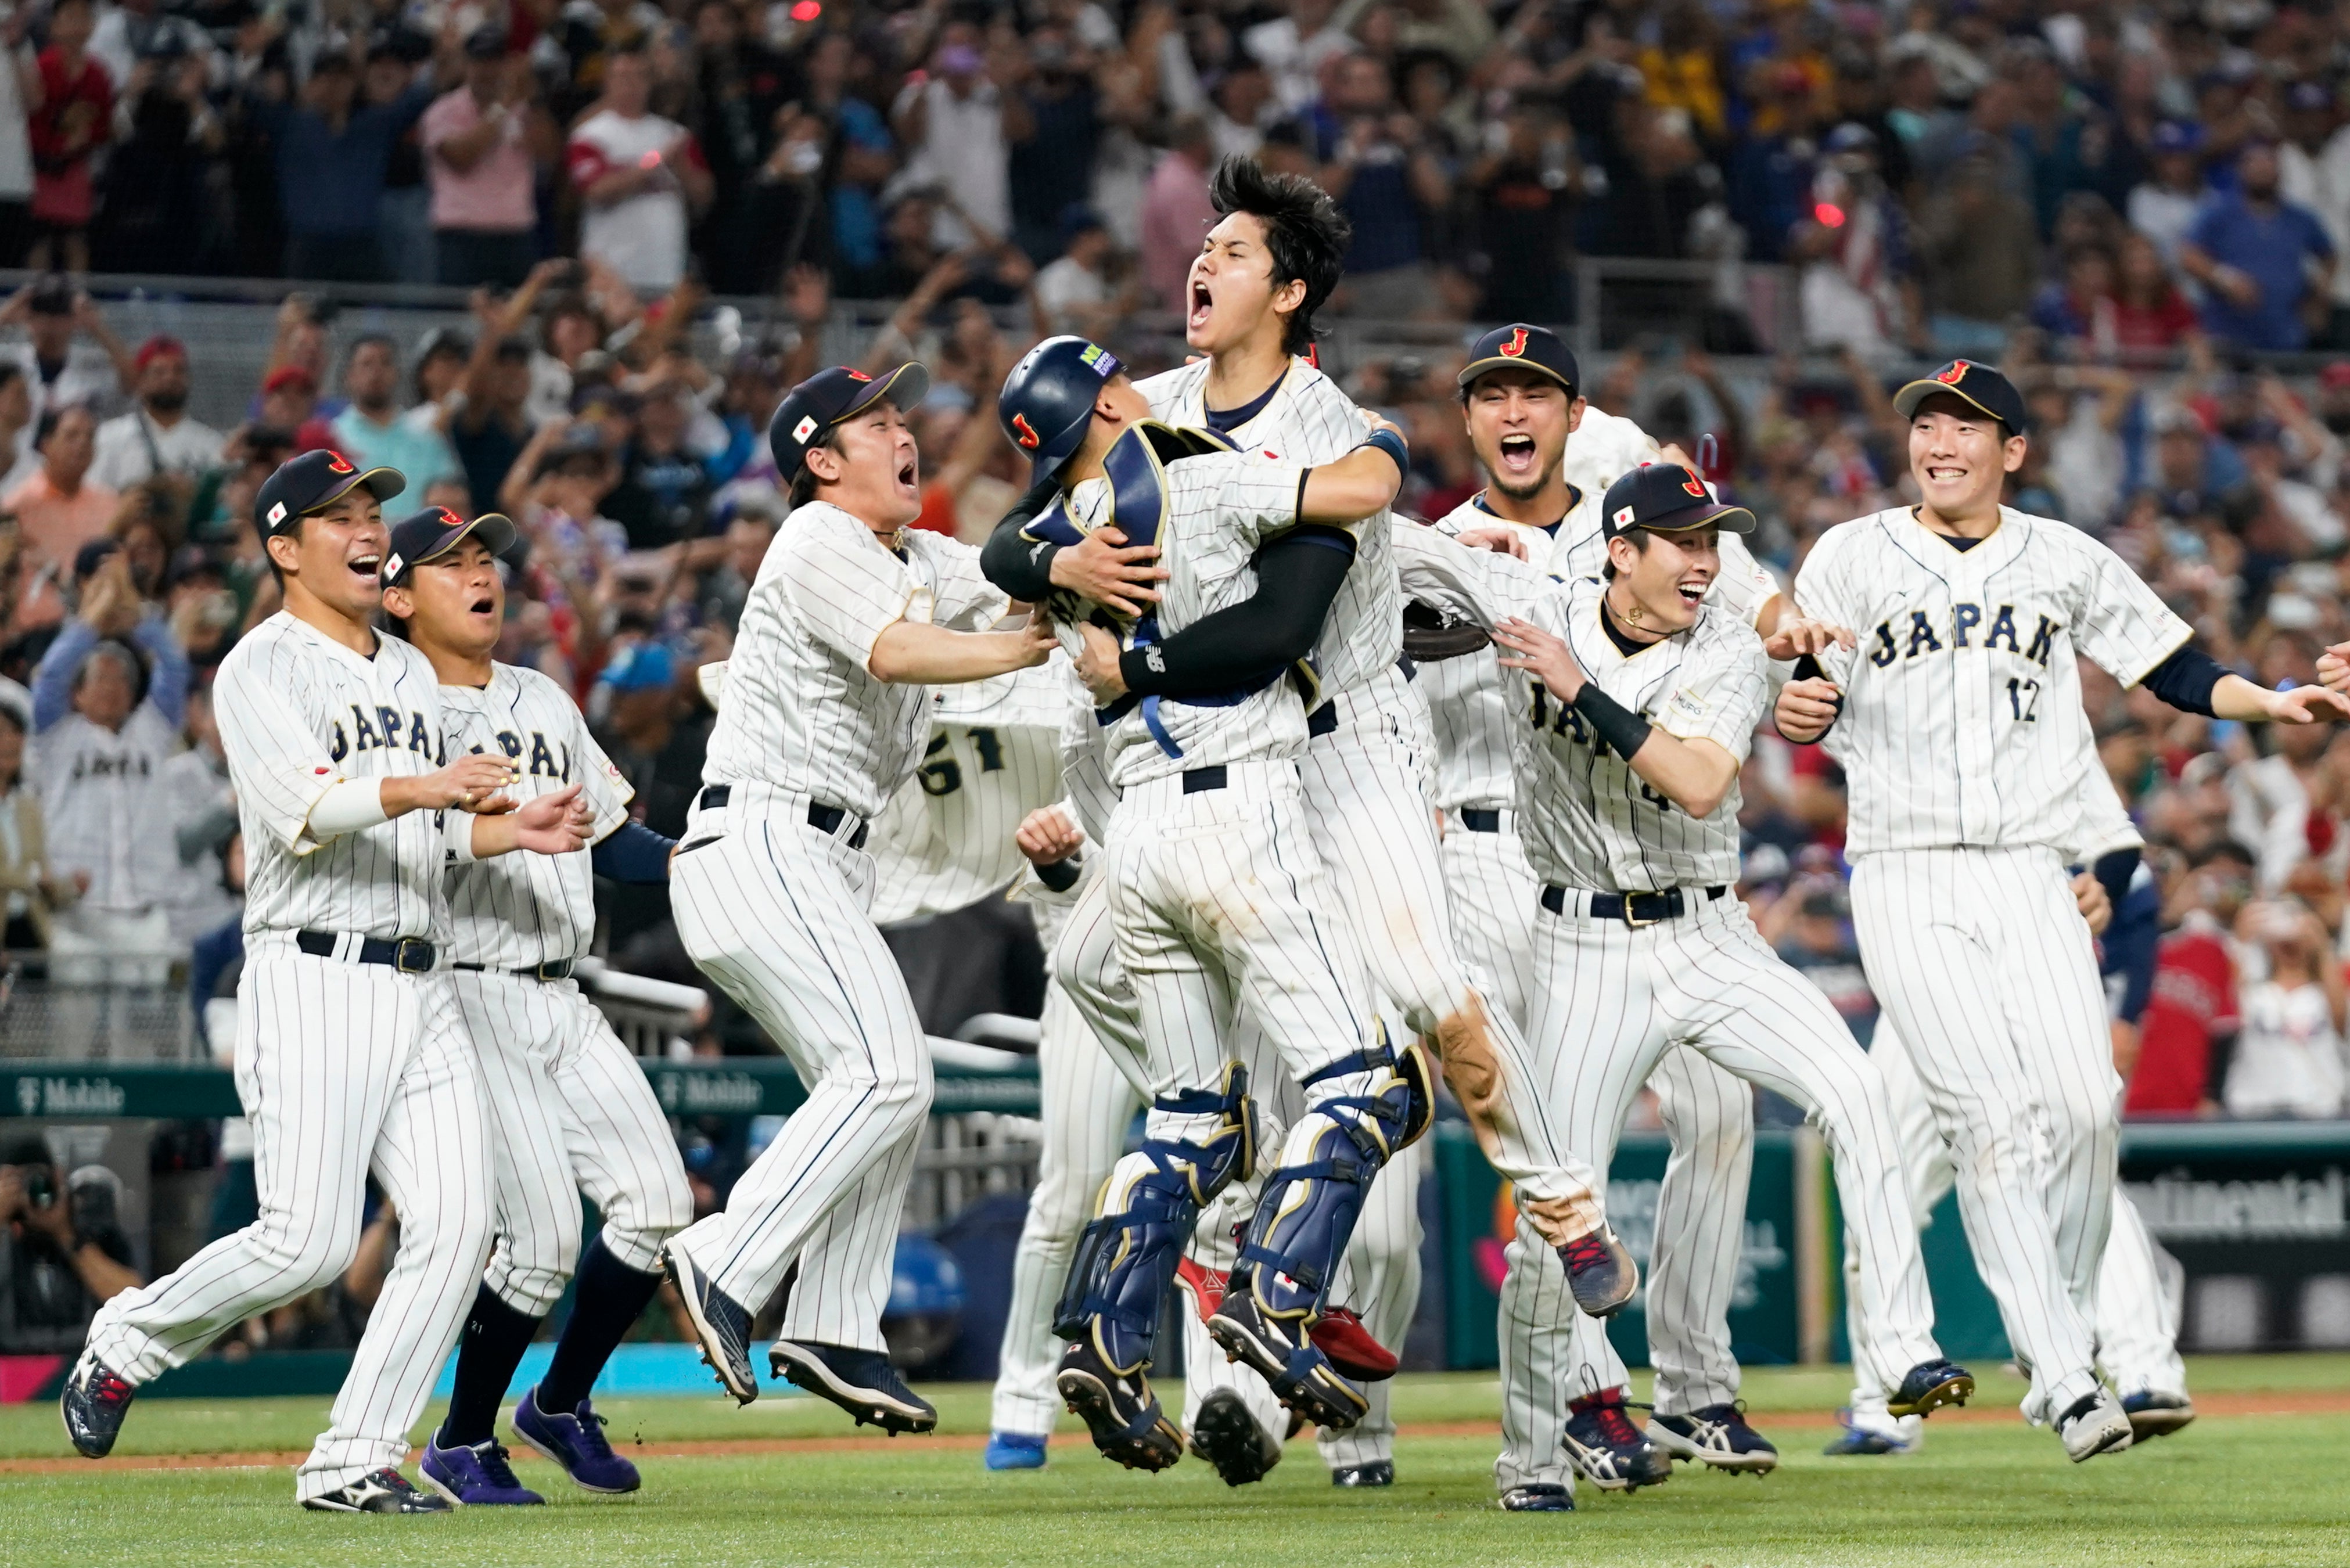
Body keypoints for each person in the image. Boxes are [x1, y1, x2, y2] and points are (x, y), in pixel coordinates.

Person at [1078, 159, 1633, 1485]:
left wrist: (1219, 493)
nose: (1200, 264)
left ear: (1292, 285)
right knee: (1253, 1082)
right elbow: (1065, 451)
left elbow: (1370, 498)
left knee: (1433, 1002)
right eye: (1197, 245)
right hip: (1227, 765)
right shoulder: (1147, 405)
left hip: (1360, 746)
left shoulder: (1336, 417)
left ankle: (1557, 1199)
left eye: (1230, 247)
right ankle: (1249, 1344)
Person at [1774, 359, 2350, 1461]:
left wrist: (2274, 700)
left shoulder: (2062, 557)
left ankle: (2066, 1333)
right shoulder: (1848, 555)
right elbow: (1810, 694)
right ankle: (2063, 1373)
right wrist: (1799, 707)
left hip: (2033, 874)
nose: (1939, 443)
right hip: (1907, 870)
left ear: (2014, 452)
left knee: (2086, 1111)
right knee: (1990, 1122)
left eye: (1965, 428)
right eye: (1926, 426)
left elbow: (2174, 668)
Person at [1397, 463, 1971, 1510]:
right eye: (1682, 542)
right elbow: (1385, 552)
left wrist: (1574, 681)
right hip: (1577, 946)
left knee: (1857, 1095)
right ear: (1620, 553)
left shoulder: (1724, 646)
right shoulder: (1542, 597)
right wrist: (1442, 555)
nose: (1705, 562)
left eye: (1712, 542)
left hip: (1709, 934)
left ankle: (1900, 1354)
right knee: (1553, 1213)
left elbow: (1700, 777)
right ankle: (1530, 1458)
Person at [59, 449, 592, 1512]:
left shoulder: (403, 669)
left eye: (370, 510)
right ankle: (126, 1336)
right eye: (338, 514)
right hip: (315, 973)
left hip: (420, 974)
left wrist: (501, 828)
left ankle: (353, 1458)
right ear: (284, 545)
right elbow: (312, 810)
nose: (366, 528)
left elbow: (430, 830)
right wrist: (429, 786)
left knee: (456, 1221)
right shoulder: (259, 666)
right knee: (305, 1243)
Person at [989, 333, 1446, 1473]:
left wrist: (1055, 572)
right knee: (1372, 1083)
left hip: (1132, 838)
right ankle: (1275, 1294)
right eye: (1119, 380)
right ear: (1107, 398)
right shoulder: (1194, 468)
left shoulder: (1058, 537)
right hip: (1237, 808)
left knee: (1190, 1116)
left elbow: (1006, 555)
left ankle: (1102, 1335)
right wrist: (1382, 435)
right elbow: (1356, 488)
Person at [1410, 323, 1787, 1497]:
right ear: (1466, 420)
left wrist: (1804, 657)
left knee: (1724, 1106)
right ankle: (1580, 1399)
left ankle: (1696, 1384)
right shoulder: (1434, 547)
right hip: (1483, 864)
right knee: (1552, 1154)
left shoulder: (1636, 527)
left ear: (1575, 416)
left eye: (1537, 392)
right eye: (1492, 394)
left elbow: (1759, 614)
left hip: (1645, 867)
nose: (1513, 411)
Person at [657, 363, 1050, 1427]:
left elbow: (1016, 571)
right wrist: (1020, 645)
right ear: (821, 461)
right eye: (874, 421)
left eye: (900, 416)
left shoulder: (912, 551)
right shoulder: (816, 536)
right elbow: (898, 648)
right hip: (766, 835)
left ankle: (833, 1325)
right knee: (885, 1072)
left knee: (886, 1081)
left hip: (820, 858)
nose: (900, 431)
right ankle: (724, 1255)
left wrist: (1077, 545)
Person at [372, 505, 694, 1505]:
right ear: (397, 597)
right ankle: (461, 1442)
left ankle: (557, 1402)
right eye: (450, 563)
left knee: (658, 1207)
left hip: (565, 986)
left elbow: (610, 837)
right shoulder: (393, 711)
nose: (481, 574)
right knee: (544, 1239)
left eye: (486, 559)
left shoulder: (544, 697)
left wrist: (703, 863)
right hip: (467, 990)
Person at [27, 541, 189, 968]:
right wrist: (91, 620)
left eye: (121, 679)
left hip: (147, 912)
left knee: (146, 1032)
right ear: (77, 694)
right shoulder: (57, 735)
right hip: (77, 910)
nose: (111, 686)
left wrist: (138, 613)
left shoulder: (151, 731)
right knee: (73, 1033)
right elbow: (52, 676)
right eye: (100, 679)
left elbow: (173, 666)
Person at [566, 46, 710, 292]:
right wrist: (654, 162)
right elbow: (597, 190)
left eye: (639, 76)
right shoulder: (590, 135)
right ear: (607, 81)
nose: (631, 85)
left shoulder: (673, 134)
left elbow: (704, 196)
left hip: (665, 269)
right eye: (623, 77)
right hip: (611, 272)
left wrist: (681, 167)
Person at [2177, 141, 2336, 354]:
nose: (2262, 170)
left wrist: (2319, 297)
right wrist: (2226, 278)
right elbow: (2188, 255)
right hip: (2229, 335)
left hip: (2286, 335)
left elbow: (2329, 256)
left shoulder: (2300, 218)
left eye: (2268, 164)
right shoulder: (2218, 213)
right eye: (2254, 164)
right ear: (2240, 169)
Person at [421, 28, 537, 289]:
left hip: (514, 232)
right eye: (480, 62)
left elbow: (550, 153)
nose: (488, 71)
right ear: (466, 64)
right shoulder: (443, 111)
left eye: (496, 62)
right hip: (462, 235)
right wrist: (503, 107)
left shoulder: (525, 111)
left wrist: (534, 97)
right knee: (460, 321)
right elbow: (462, 158)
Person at [1, 1141, 142, 1353]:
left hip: (84, 1362)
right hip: (11, 1373)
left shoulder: (94, 1231)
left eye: (36, 1179)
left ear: (57, 1178)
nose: (26, 1193)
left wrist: (65, 1234)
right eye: (15, 1185)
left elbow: (134, 1303)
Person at [6, 405, 120, 620]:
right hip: (35, 632)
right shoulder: (19, 506)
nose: (83, 444)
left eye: (90, 437)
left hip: (96, 623)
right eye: (71, 436)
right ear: (46, 445)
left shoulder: (110, 504)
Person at [329, 335, 459, 513]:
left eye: (385, 363)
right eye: (367, 364)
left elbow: (452, 499)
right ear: (349, 376)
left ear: (397, 374)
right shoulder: (333, 437)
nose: (376, 372)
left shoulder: (427, 438)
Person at [89, 336, 224, 493]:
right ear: (141, 380)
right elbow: (95, 493)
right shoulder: (110, 437)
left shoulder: (210, 443)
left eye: (178, 370)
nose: (170, 378)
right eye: (159, 372)